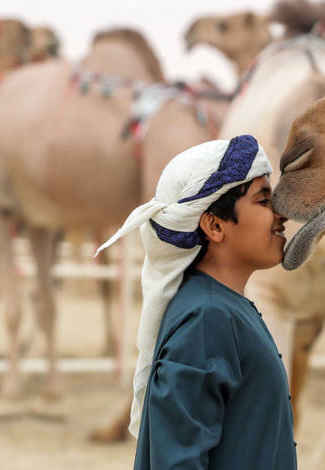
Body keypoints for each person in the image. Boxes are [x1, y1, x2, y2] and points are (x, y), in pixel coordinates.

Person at [95, 135, 297, 469]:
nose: (281, 214)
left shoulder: (220, 309)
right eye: (263, 201)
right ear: (215, 225)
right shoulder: (206, 318)